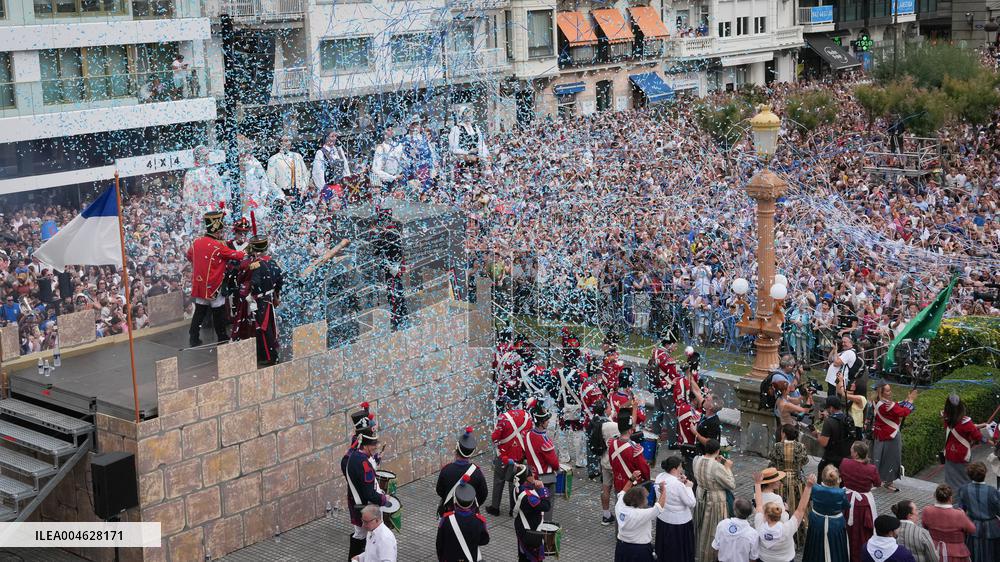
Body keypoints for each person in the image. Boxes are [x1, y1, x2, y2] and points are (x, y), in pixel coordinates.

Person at [186, 210, 245, 348]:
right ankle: (222, 337)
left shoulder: (196, 242)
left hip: (200, 283)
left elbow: (189, 256)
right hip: (214, 284)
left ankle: (193, 336)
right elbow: (237, 255)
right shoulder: (218, 246)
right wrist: (247, 251)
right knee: (218, 312)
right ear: (217, 231)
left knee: (199, 312)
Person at [230, 234, 283, 365]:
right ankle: (266, 354)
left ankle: (270, 356)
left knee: (263, 329)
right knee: (268, 327)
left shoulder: (255, 265)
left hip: (259, 301)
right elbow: (279, 280)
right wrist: (276, 293)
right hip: (269, 299)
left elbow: (254, 282)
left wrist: (250, 295)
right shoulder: (272, 261)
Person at [342, 427, 389, 560]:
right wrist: (384, 499)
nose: (375, 447)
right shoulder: (363, 464)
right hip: (365, 507)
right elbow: (370, 494)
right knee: (369, 536)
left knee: (360, 536)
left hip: (357, 503)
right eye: (373, 445)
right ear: (366, 446)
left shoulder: (353, 457)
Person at [753, 471, 815, 562]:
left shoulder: (760, 524)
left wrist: (757, 483)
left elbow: (758, 505)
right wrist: (809, 486)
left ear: (765, 515)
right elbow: (800, 510)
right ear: (779, 514)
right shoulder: (787, 528)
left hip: (764, 559)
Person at [693, 438, 736, 562]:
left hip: (701, 497)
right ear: (718, 451)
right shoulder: (717, 467)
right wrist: (727, 468)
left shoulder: (696, 460)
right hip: (715, 502)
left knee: (701, 528)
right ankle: (712, 557)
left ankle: (699, 553)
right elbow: (731, 484)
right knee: (713, 531)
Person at [487, 404, 532, 517]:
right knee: (515, 482)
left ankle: (495, 508)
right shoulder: (527, 416)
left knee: (499, 480)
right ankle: (513, 509)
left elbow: (495, 437)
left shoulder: (503, 418)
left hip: (504, 455)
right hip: (519, 455)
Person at [841, 441, 882, 562]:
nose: (850, 451)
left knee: (846, 530)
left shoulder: (845, 463)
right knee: (862, 533)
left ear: (857, 454)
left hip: (846, 500)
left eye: (852, 450)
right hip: (864, 504)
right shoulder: (872, 469)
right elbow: (878, 483)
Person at [873, 382, 917, 492]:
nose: (890, 392)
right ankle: (889, 482)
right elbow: (904, 412)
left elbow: (896, 405)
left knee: (880, 457)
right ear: (881, 392)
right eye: (887, 390)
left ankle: (880, 479)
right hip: (891, 435)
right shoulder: (887, 405)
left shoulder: (878, 401)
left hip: (880, 434)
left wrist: (906, 400)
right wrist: (911, 400)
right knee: (892, 459)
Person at [768, 423, 809, 543]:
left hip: (781, 481)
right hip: (797, 482)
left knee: (781, 507)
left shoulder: (777, 446)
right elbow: (805, 461)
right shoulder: (801, 446)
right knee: (798, 507)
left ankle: (780, 533)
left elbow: (771, 458)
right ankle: (798, 537)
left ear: (784, 433)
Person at [436, 427, 488, 516]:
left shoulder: (446, 470)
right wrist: (470, 504)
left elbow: (439, 490)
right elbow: (483, 494)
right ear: (472, 452)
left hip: (449, 513)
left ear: (456, 449)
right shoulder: (477, 472)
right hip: (471, 514)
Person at [436, 478, 490, 562]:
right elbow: (484, 540)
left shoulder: (446, 519)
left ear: (455, 501)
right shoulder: (479, 521)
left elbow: (439, 543)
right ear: (472, 502)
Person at [803, 464, 849, 562]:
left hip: (817, 523)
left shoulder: (815, 488)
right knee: (836, 548)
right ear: (837, 479)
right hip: (835, 526)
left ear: (822, 477)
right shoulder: (841, 492)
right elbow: (846, 506)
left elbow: (809, 499)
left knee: (814, 547)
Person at [654, 455, 696, 562]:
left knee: (665, 549)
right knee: (679, 551)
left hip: (663, 517)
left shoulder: (660, 477)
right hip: (679, 522)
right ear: (674, 469)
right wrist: (689, 487)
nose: (681, 469)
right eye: (680, 467)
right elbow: (691, 503)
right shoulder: (678, 484)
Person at [955, 462, 1000, 562]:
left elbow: (960, 510)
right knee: (992, 556)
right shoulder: (992, 491)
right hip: (992, 529)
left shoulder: (963, 490)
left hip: (972, 528)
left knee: (975, 556)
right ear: (985, 474)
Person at [942, 393, 987, 491]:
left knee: (950, 480)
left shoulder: (946, 418)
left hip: (949, 453)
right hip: (962, 454)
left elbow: (959, 429)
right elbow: (977, 436)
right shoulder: (966, 422)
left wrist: (975, 426)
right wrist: (989, 441)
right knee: (964, 480)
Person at [523, 401, 559, 522]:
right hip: (545, 477)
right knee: (547, 503)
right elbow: (555, 464)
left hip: (531, 475)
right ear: (542, 423)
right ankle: (546, 524)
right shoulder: (545, 441)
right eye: (547, 420)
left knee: (533, 499)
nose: (548, 421)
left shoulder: (527, 435)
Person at [614, 479, 667, 562]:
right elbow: (658, 507)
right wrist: (663, 491)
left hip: (621, 547)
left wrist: (631, 478)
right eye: (645, 497)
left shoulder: (620, 507)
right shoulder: (640, 514)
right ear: (639, 500)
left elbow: (623, 492)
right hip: (639, 550)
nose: (647, 499)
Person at [922, 484, 976, 562]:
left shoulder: (927, 510)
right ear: (950, 498)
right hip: (957, 554)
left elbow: (924, 525)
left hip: (935, 551)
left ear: (935, 497)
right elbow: (972, 529)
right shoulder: (959, 514)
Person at [512, 463, 551, 562]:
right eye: (532, 474)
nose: (534, 476)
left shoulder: (518, 487)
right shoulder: (528, 496)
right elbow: (546, 506)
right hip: (529, 531)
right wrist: (542, 489)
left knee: (523, 555)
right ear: (527, 477)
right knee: (531, 557)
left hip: (522, 527)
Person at [607, 410, 650, 495]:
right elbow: (644, 471)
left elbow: (612, 463)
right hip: (632, 487)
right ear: (630, 431)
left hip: (618, 484)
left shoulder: (612, 443)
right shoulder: (635, 448)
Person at [647, 330, 679, 439]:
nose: (676, 347)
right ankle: (672, 440)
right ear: (668, 344)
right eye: (674, 344)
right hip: (666, 388)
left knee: (657, 411)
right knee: (670, 414)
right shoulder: (667, 358)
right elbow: (673, 375)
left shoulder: (656, 352)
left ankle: (655, 434)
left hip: (657, 386)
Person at [711, 498, 758, 562]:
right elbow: (753, 558)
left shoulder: (722, 524)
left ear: (734, 511)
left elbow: (715, 548)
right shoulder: (753, 534)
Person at [449, 105, 489, 179]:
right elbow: (453, 149)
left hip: (477, 162)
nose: (469, 116)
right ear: (462, 115)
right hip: (464, 162)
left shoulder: (475, 127)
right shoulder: (456, 129)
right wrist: (468, 152)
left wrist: (484, 156)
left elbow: (482, 144)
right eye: (467, 114)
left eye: (470, 113)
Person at [312, 129, 352, 202]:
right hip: (328, 187)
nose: (334, 138)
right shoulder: (320, 153)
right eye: (332, 136)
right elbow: (318, 172)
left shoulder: (339, 150)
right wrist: (323, 187)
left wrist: (347, 180)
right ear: (326, 138)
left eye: (335, 136)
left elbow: (345, 166)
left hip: (339, 186)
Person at [817, 395, 852, 476]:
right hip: (845, 457)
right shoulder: (849, 418)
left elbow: (823, 443)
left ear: (831, 408)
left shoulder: (829, 422)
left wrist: (818, 432)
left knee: (822, 473)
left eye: (827, 408)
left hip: (831, 458)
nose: (826, 410)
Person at [266, 135, 310, 201]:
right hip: (283, 194)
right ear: (280, 143)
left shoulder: (298, 156)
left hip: (299, 193)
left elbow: (305, 174)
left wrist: (303, 189)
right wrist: (282, 196)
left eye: (289, 140)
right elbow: (270, 180)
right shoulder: (274, 159)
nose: (289, 143)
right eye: (286, 141)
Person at [370, 125, 404, 193]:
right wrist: (393, 177)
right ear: (383, 132)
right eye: (388, 130)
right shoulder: (380, 148)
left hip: (399, 180)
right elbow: (376, 169)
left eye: (392, 129)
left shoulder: (399, 146)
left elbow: (404, 162)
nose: (391, 131)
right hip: (386, 182)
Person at [838, 374, 868, 442]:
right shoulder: (854, 394)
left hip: (856, 428)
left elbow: (843, 394)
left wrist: (841, 381)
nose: (852, 384)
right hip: (849, 424)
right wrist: (838, 381)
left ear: (859, 387)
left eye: (854, 383)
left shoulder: (861, 398)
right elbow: (840, 391)